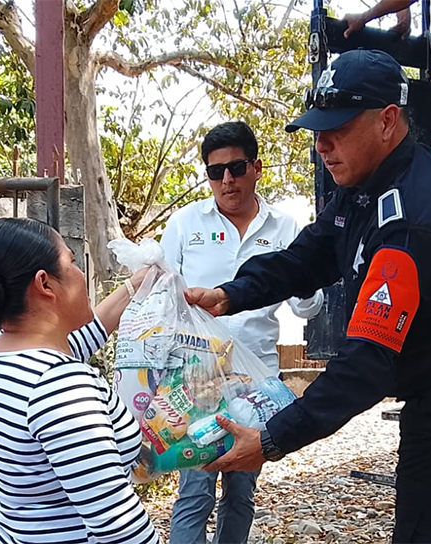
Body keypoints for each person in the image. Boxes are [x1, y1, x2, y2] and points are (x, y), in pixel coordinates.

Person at [186, 50, 431, 543]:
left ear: (387, 121)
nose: (321, 145)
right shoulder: (370, 180)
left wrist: (274, 438)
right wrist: (230, 294)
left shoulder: (410, 222)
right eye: (317, 131)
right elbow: (311, 254)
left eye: (338, 129)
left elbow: (367, 363)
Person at [160, 121, 324, 544]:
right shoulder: (185, 224)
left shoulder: (285, 229)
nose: (227, 180)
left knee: (240, 492)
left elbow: (307, 307)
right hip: (196, 381)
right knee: (194, 490)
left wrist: (304, 280)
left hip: (257, 384)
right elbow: (161, 297)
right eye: (216, 172)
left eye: (236, 168)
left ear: (257, 168)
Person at [0, 217, 159, 544]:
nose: (80, 273)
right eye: (72, 262)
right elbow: (116, 522)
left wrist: (141, 282)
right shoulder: (60, 386)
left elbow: (82, 337)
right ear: (45, 284)